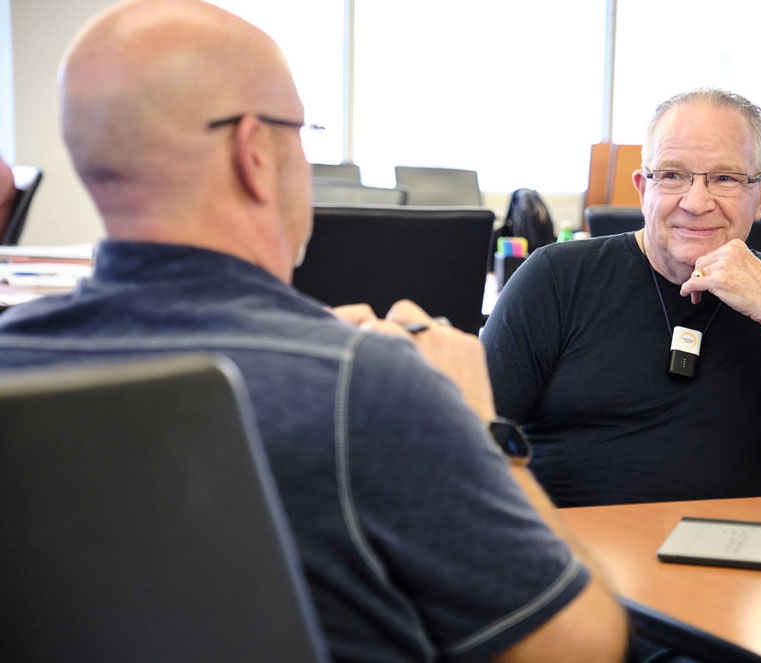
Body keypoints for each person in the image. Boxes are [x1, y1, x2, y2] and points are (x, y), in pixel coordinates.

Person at [0, 2, 628, 661]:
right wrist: (487, 435)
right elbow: (582, 646)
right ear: (254, 154)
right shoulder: (370, 390)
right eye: (303, 132)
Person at [482, 88, 761, 507]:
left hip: (738, 554)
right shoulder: (555, 278)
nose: (695, 203)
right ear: (643, 188)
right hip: (580, 557)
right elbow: (465, 439)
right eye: (673, 175)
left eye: (725, 178)